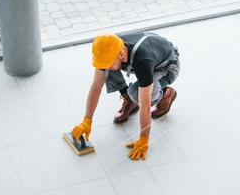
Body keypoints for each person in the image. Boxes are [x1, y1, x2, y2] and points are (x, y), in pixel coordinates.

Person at [71, 32, 180, 160]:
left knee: (137, 94)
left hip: (166, 66)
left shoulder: (143, 61)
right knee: (106, 70)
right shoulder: (111, 48)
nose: (107, 67)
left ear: (122, 54)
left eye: (110, 63)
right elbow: (96, 86)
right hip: (150, 52)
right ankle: (129, 100)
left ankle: (166, 94)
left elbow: (145, 106)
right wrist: (87, 121)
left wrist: (144, 139)